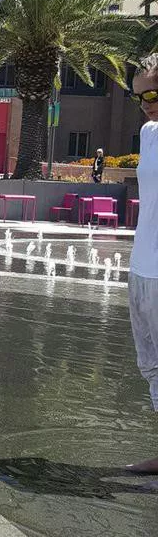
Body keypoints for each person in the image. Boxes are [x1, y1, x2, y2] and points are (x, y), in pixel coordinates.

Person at [124, 55, 158, 473]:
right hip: (142, 265)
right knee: (150, 364)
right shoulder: (149, 134)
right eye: (139, 97)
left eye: (153, 93)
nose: (147, 103)